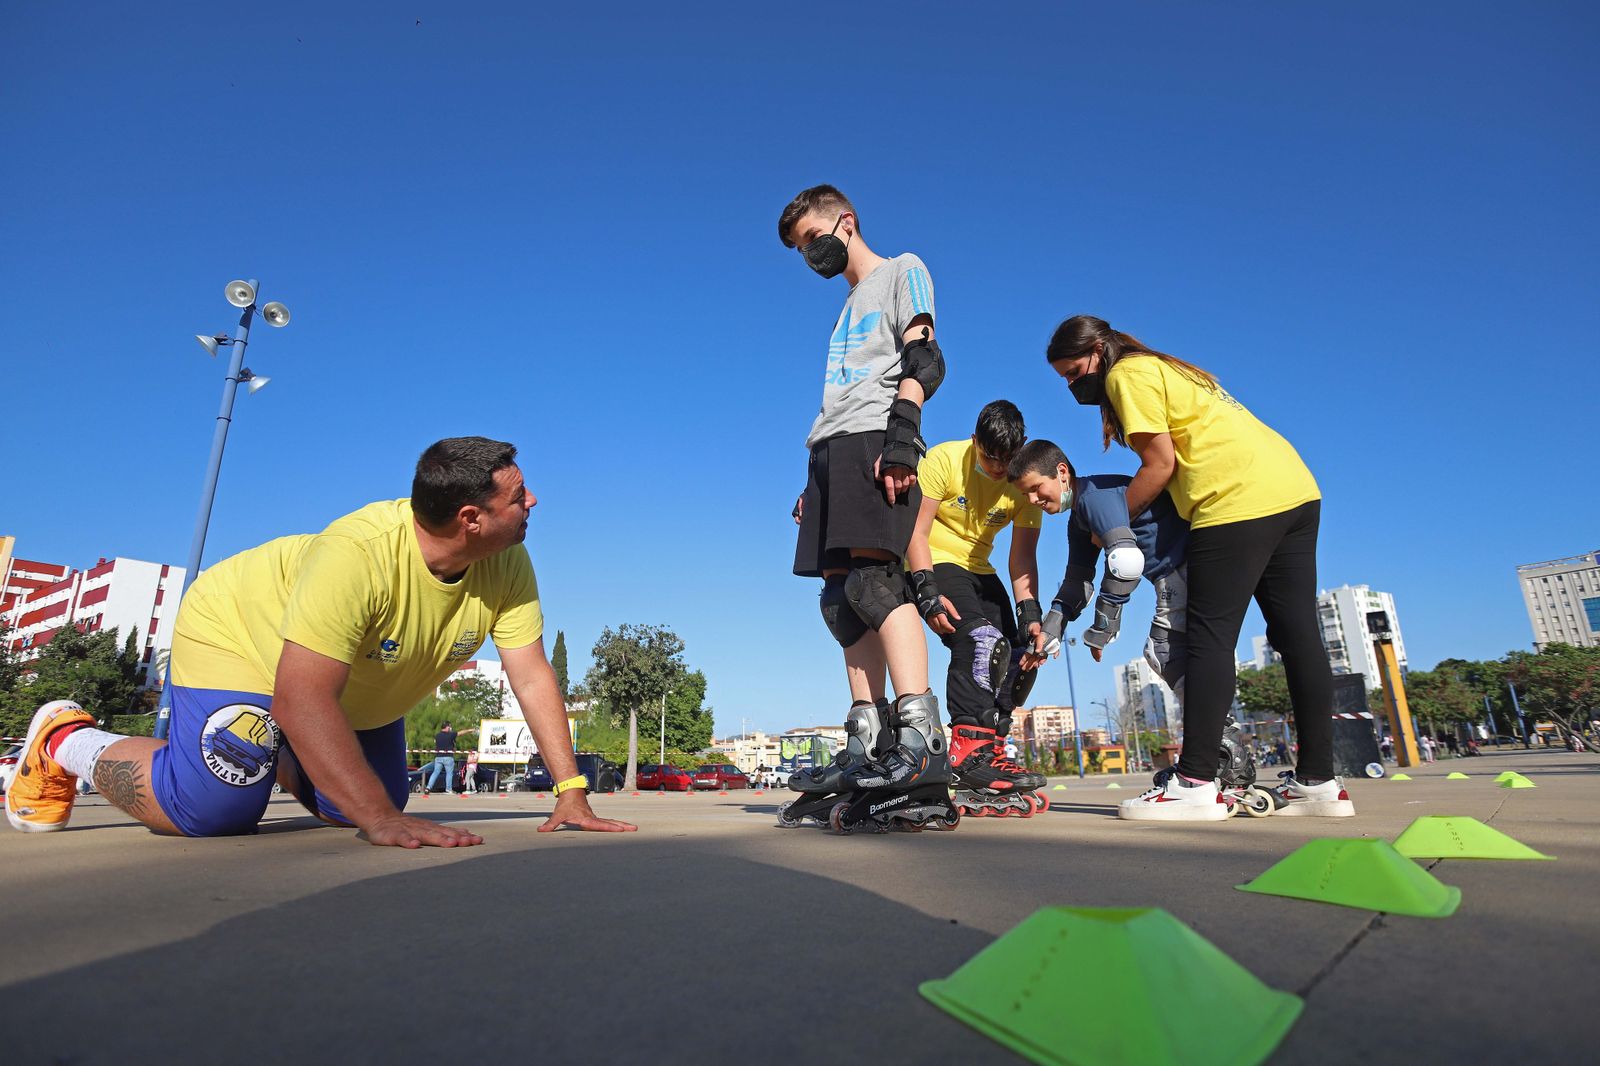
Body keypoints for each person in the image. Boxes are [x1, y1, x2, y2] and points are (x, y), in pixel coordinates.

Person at [6, 436, 635, 845]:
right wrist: (380, 819)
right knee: (215, 811)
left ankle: (281, 750)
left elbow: (530, 675)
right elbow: (302, 696)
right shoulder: (356, 555)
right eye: (517, 493)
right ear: (471, 518)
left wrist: (570, 793)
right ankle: (68, 739)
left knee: (361, 803)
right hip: (240, 633)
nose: (533, 500)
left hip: (346, 688)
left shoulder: (507, 560)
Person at [1045, 315, 1354, 820]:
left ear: (1100, 351)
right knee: (1298, 637)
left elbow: (1159, 465)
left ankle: (1194, 782)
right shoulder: (1170, 369)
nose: (1074, 384)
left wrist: (1111, 526)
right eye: (1064, 379)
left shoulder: (1127, 374)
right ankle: (1320, 782)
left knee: (1206, 638)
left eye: (1076, 371)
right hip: (1295, 488)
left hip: (1232, 499)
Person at [777, 184, 955, 830]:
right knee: (839, 597)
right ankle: (868, 739)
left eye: (812, 240)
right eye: (801, 250)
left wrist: (904, 434)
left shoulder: (902, 271)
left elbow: (924, 355)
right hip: (830, 451)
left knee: (877, 584)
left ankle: (921, 743)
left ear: (845, 223)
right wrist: (814, 480)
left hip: (877, 440)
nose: (810, 255)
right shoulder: (844, 308)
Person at [904, 401, 1047, 817]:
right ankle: (967, 753)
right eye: (989, 459)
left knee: (1021, 655)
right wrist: (925, 589)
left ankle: (993, 751)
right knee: (981, 640)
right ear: (974, 442)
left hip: (980, 569)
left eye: (1007, 461)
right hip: (935, 559)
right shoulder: (944, 460)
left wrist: (1031, 614)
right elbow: (917, 531)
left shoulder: (1023, 484)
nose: (999, 470)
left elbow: (1022, 559)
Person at [1007, 438, 1189, 692]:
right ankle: (1219, 726)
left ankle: (1218, 729)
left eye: (1036, 488)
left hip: (1185, 565)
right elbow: (1076, 583)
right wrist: (1049, 634)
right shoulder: (1079, 517)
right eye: (1025, 494)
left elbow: (1125, 563)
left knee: (1164, 651)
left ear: (1062, 472)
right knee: (1179, 652)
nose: (1032, 499)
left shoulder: (1094, 498)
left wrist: (1104, 627)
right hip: (1175, 573)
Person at [427, 722, 458, 794]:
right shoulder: (451, 734)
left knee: (435, 772)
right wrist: (469, 730)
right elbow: (460, 733)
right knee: (449, 773)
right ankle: (448, 789)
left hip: (438, 757)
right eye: (450, 727)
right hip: (448, 757)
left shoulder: (437, 735)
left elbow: (435, 742)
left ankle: (428, 787)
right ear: (447, 727)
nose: (450, 728)